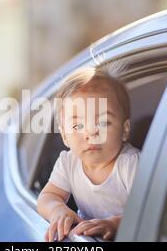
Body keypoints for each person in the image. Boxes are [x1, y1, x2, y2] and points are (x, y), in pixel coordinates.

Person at [37, 66, 140, 242]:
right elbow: (47, 196)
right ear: (64, 136)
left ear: (124, 129)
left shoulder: (132, 164)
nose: (91, 133)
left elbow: (149, 213)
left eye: (103, 122)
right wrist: (57, 210)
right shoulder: (68, 162)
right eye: (78, 126)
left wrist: (115, 224)